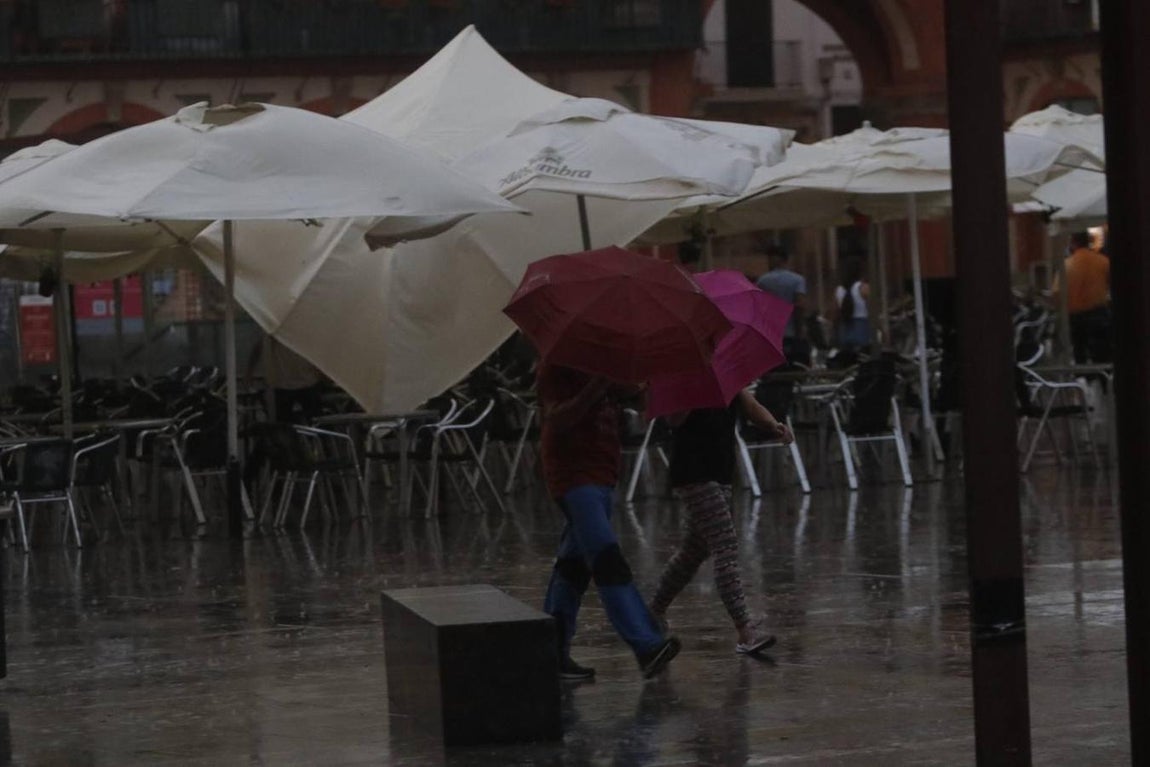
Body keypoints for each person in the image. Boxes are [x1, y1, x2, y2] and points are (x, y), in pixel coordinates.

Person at [537, 363, 681, 681]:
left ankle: (552, 653)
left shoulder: (603, 359)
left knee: (572, 567)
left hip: (602, 472)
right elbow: (556, 419)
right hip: (573, 474)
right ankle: (646, 643)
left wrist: (634, 387)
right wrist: (595, 386)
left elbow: (641, 404)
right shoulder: (555, 364)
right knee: (606, 559)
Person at [649, 391, 791, 655]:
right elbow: (672, 420)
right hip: (693, 472)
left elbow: (750, 405)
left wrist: (773, 425)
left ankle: (653, 612)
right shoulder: (686, 372)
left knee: (694, 550)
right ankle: (745, 630)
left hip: (720, 470)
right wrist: (693, 391)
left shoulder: (726, 373)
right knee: (724, 543)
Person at [1053, 231, 1111, 364]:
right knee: (1101, 352)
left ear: (1072, 243)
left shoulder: (1066, 265)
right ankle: (1103, 380)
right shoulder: (1102, 261)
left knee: (1079, 351)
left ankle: (1083, 379)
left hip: (1075, 316)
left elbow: (1056, 292)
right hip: (1099, 313)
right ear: (1088, 242)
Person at [246, 337, 324, 423]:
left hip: (284, 383)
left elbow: (259, 346)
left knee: (284, 424)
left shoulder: (275, 330)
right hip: (306, 381)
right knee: (316, 421)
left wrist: (249, 373)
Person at [755, 244, 809, 364]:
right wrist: (800, 331)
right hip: (791, 334)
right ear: (786, 259)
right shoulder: (797, 280)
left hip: (770, 335)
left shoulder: (763, 281)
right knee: (793, 368)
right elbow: (799, 305)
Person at [834, 257, 871, 351]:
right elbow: (871, 309)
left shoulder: (839, 290)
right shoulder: (863, 287)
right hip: (861, 325)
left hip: (845, 326)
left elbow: (837, 311)